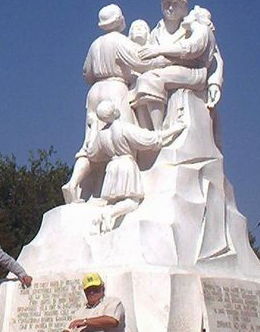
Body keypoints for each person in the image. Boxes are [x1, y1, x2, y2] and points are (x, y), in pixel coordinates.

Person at [62, 4, 167, 204]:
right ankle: (120, 194)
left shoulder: (95, 45)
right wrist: (158, 63)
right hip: (114, 89)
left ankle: (73, 183)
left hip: (94, 92)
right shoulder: (119, 41)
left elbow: (87, 73)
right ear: (118, 20)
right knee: (123, 143)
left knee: (91, 144)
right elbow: (140, 61)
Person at [64, 99, 186, 232]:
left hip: (111, 168)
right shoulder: (123, 127)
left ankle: (105, 217)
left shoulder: (102, 135)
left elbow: (92, 154)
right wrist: (175, 129)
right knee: (132, 202)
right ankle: (110, 214)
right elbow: (150, 139)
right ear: (114, 111)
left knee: (112, 200)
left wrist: (93, 127)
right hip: (125, 166)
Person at [133, 0, 223, 130]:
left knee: (149, 80)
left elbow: (215, 58)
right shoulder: (156, 32)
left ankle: (158, 133)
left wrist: (214, 83)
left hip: (193, 72)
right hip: (165, 72)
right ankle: (147, 134)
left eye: (175, 4)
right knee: (137, 88)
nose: (169, 8)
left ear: (184, 8)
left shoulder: (195, 28)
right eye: (166, 3)